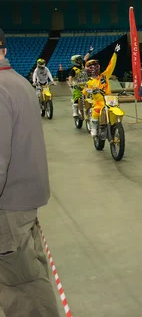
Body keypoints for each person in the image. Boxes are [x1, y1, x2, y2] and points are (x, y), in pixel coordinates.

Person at [0, 28, 61, 317]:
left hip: (7, 208)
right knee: (30, 275)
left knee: (21, 289)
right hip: (22, 202)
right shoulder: (18, 82)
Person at [84, 44, 120, 137]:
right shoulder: (89, 82)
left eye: (95, 65)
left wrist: (115, 53)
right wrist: (89, 91)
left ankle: (114, 126)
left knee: (116, 109)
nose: (94, 68)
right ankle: (94, 128)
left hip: (109, 100)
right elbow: (85, 91)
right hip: (98, 102)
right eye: (91, 66)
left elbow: (111, 65)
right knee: (96, 111)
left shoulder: (104, 75)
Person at [67, 51, 90, 117]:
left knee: (90, 98)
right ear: (75, 61)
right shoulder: (73, 70)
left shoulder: (82, 65)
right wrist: (70, 84)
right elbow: (70, 77)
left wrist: (89, 52)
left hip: (86, 86)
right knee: (76, 99)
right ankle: (75, 112)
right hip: (78, 87)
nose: (80, 61)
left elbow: (85, 58)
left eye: (80, 59)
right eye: (79, 60)